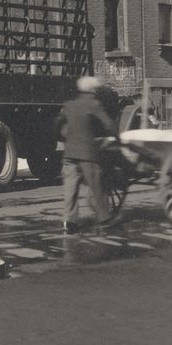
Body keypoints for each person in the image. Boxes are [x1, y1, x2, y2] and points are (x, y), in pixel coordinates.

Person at [56, 75, 118, 233]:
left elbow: (58, 123)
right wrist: (116, 137)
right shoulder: (94, 104)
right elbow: (108, 124)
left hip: (69, 154)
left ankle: (69, 222)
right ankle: (104, 218)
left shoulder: (69, 105)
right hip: (87, 154)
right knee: (96, 186)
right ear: (92, 90)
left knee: (70, 189)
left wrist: (64, 136)